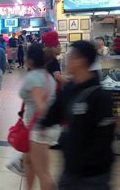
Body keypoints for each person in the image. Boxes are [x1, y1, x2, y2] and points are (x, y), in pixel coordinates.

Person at [41, 41, 115, 190]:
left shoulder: (100, 96)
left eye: (70, 56)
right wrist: (41, 125)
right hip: (70, 171)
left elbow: (106, 137)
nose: (66, 60)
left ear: (81, 61)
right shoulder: (69, 90)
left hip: (94, 177)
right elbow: (54, 114)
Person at [19, 44, 58, 190]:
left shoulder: (33, 77)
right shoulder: (47, 76)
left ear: (30, 60)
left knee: (43, 172)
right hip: (41, 127)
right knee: (29, 162)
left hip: (38, 128)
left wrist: (43, 125)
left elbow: (40, 106)